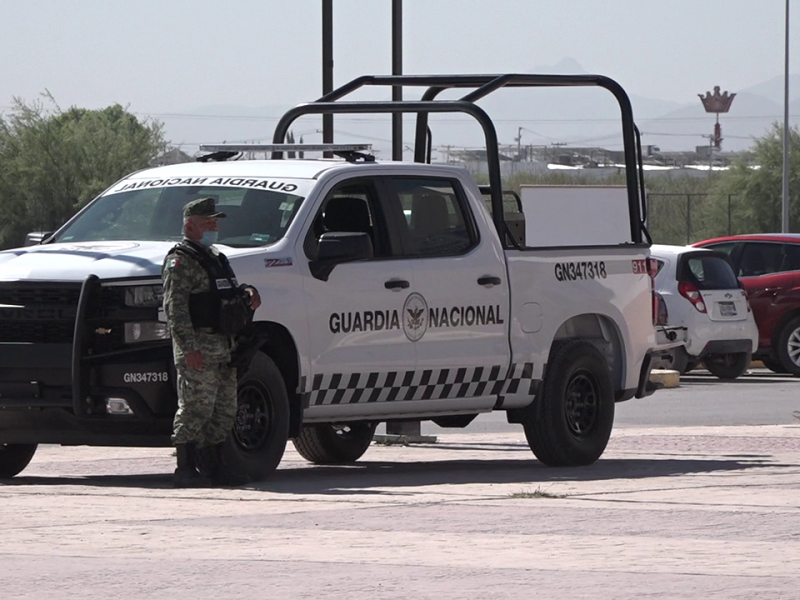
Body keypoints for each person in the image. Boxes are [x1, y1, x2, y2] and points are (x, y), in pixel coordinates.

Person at [162, 197, 261, 487]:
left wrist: (248, 292)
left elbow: (225, 293)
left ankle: (214, 466)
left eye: (216, 222)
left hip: (224, 346)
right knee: (196, 407)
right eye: (208, 223)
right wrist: (188, 347)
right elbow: (175, 309)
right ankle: (185, 467)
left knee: (224, 408)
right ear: (190, 225)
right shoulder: (180, 261)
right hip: (198, 347)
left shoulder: (215, 258)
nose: (214, 227)